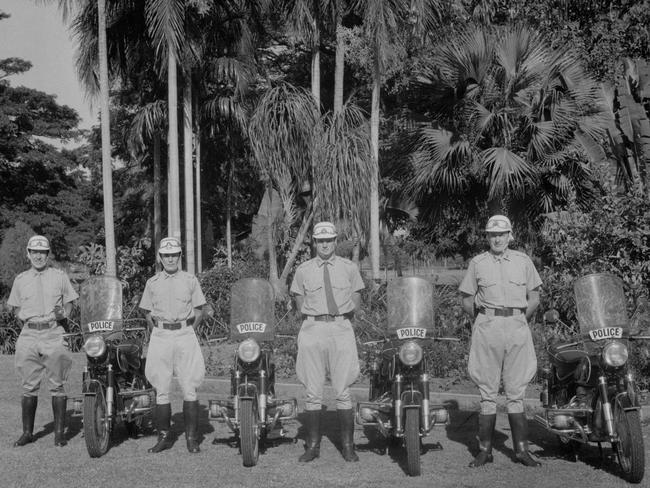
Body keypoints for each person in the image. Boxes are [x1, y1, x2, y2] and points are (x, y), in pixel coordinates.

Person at [459, 215, 542, 468]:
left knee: (517, 390)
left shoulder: (523, 261)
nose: (497, 238)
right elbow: (466, 298)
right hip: (487, 325)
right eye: (493, 234)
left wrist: (517, 320)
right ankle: (485, 451)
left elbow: (534, 297)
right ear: (487, 237)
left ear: (509, 235)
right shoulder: (478, 263)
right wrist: (484, 321)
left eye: (502, 234)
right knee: (487, 391)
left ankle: (521, 450)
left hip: (517, 325)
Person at [290, 221, 365, 463]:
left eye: (329, 240)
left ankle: (347, 445)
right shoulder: (303, 269)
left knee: (343, 390)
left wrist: (341, 319)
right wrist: (315, 317)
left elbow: (356, 297)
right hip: (312, 328)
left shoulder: (349, 268)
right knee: (313, 391)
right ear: (314, 242)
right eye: (320, 240)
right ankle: (312, 446)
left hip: (341, 328)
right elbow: (299, 299)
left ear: (335, 241)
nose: (324, 244)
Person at [8, 235, 78, 448]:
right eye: (35, 252)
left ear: (48, 255)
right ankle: (28, 433)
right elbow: (16, 307)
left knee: (57, 384)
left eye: (43, 252)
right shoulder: (20, 280)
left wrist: (61, 316)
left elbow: (69, 304)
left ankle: (59, 434)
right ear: (28, 254)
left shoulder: (59, 276)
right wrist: (24, 319)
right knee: (28, 385)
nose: (39, 256)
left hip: (53, 332)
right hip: (29, 334)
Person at [139, 237, 207, 454]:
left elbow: (199, 310)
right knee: (161, 388)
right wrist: (159, 330)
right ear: (160, 258)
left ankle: (191, 438)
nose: (170, 259)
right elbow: (147, 312)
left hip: (185, 334)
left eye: (174, 255)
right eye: (166, 255)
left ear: (180, 256)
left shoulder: (190, 280)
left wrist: (188, 329)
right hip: (160, 335)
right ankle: (164, 437)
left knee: (190, 387)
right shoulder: (152, 283)